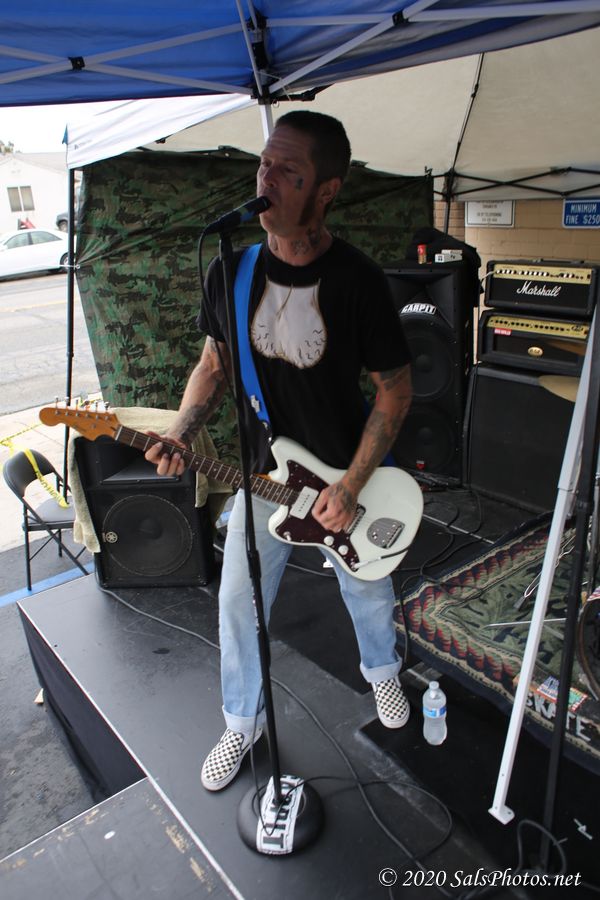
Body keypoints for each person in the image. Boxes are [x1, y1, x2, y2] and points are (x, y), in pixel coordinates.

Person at [145, 111, 413, 792]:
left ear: (326, 190)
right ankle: (242, 722)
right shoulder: (231, 271)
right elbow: (213, 364)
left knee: (367, 587)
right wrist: (181, 431)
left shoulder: (357, 280)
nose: (265, 179)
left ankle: (382, 674)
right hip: (263, 476)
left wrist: (351, 486)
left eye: (287, 171)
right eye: (264, 163)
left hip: (345, 478)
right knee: (238, 601)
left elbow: (395, 388)